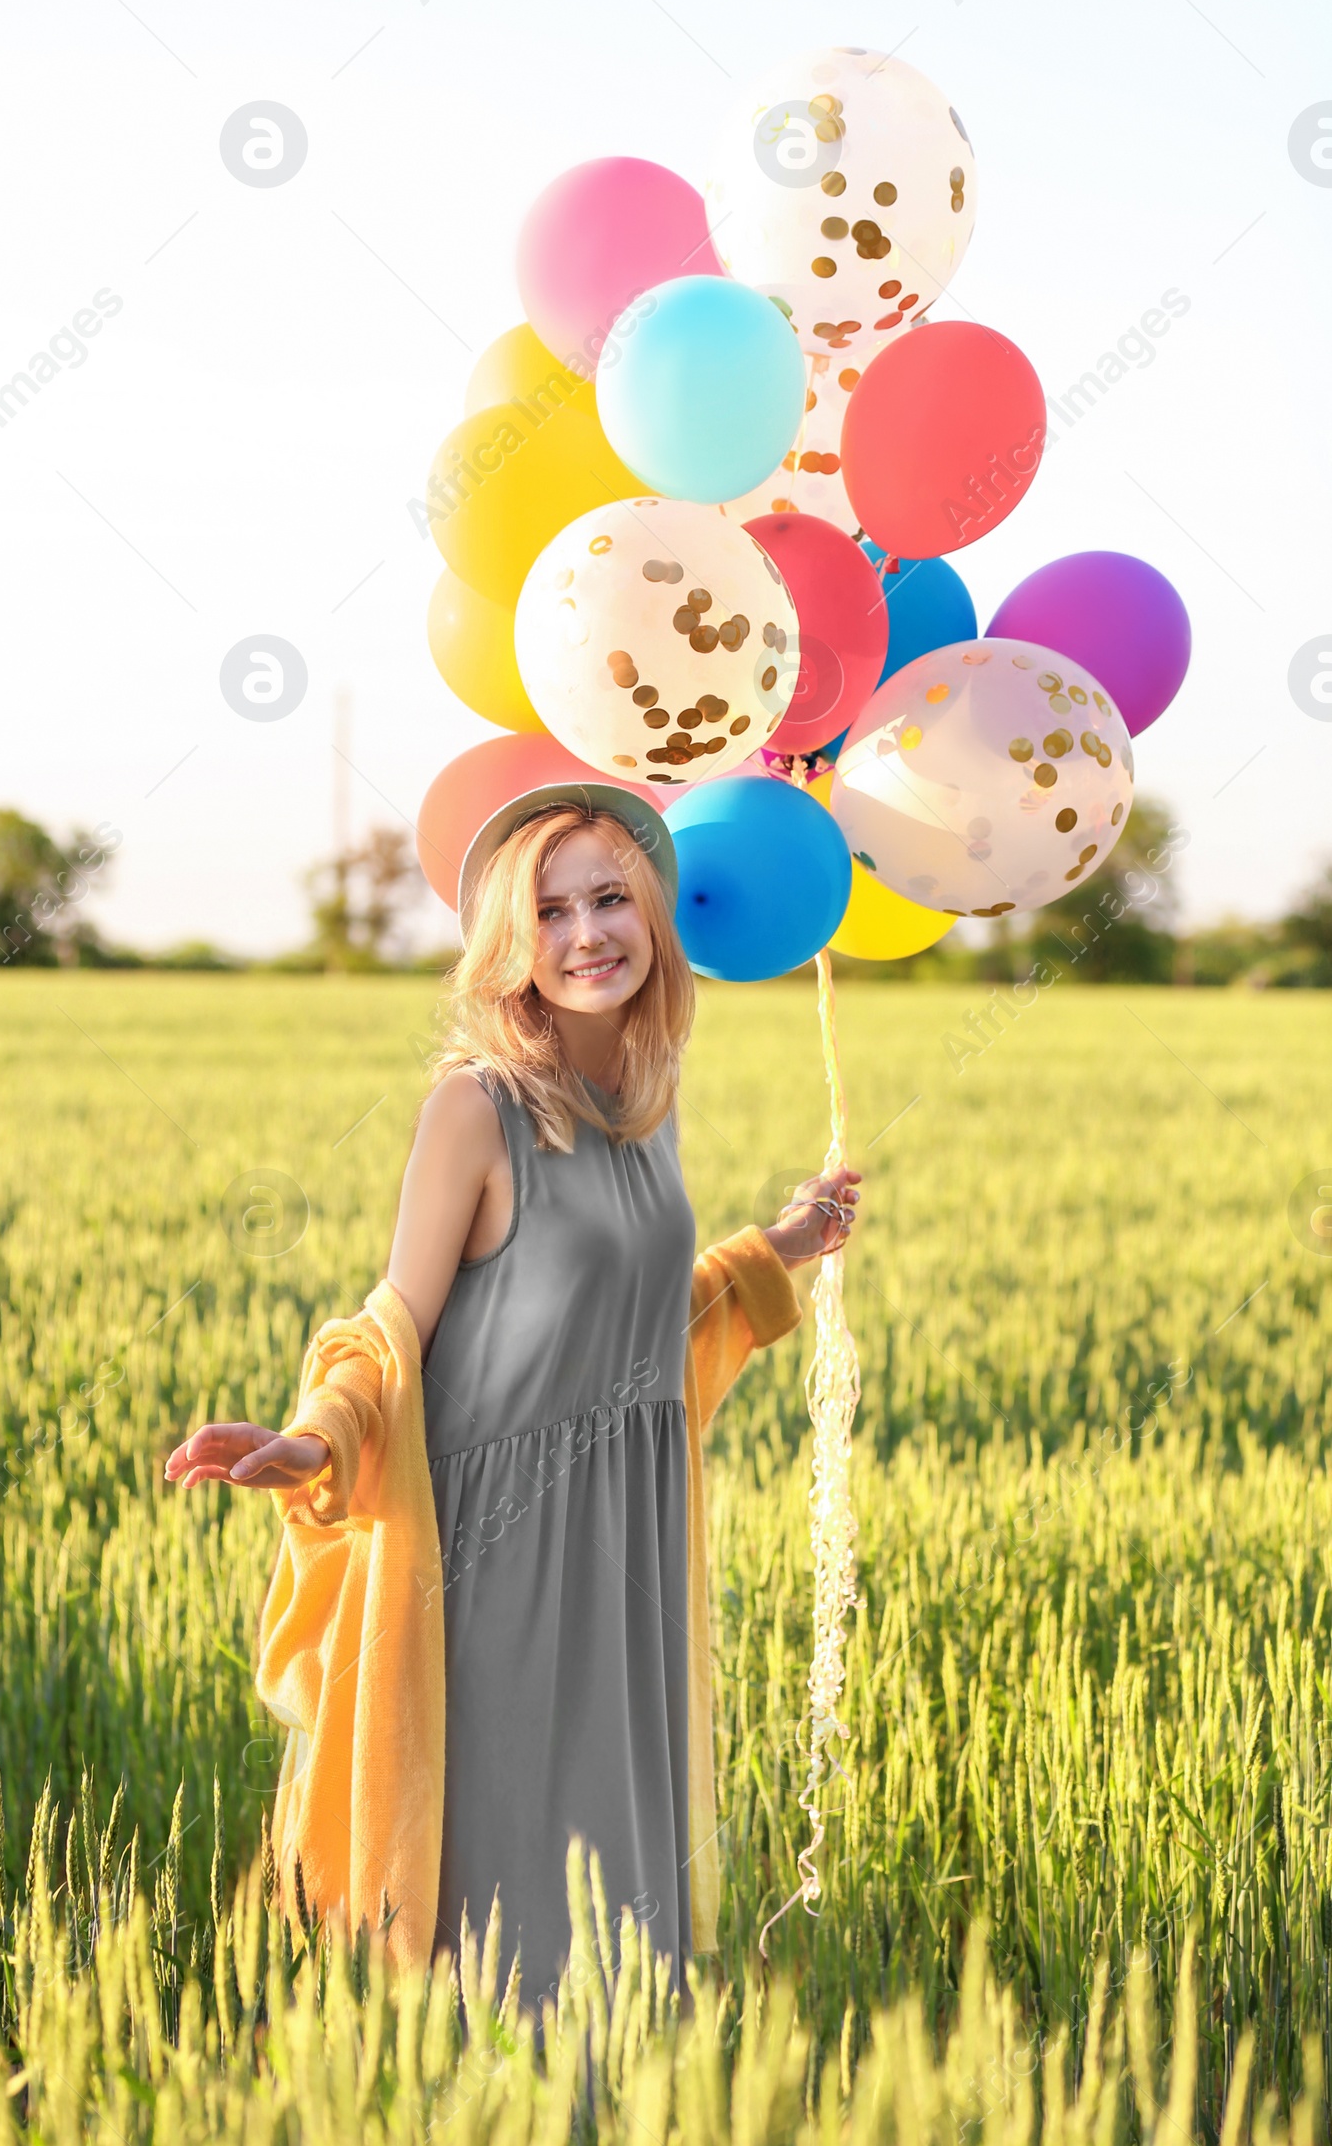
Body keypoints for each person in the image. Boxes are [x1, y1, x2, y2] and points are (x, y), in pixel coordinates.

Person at [165, 784, 860, 2002]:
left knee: (614, 1875)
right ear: (508, 942)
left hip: (628, 1537)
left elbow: (634, 1335)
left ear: (652, 912)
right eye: (549, 910)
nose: (588, 932)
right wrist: (311, 1442)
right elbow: (390, 1331)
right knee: (505, 1885)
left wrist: (782, 1248)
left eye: (609, 898)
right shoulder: (473, 1110)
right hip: (497, 1552)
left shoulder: (645, 1109)